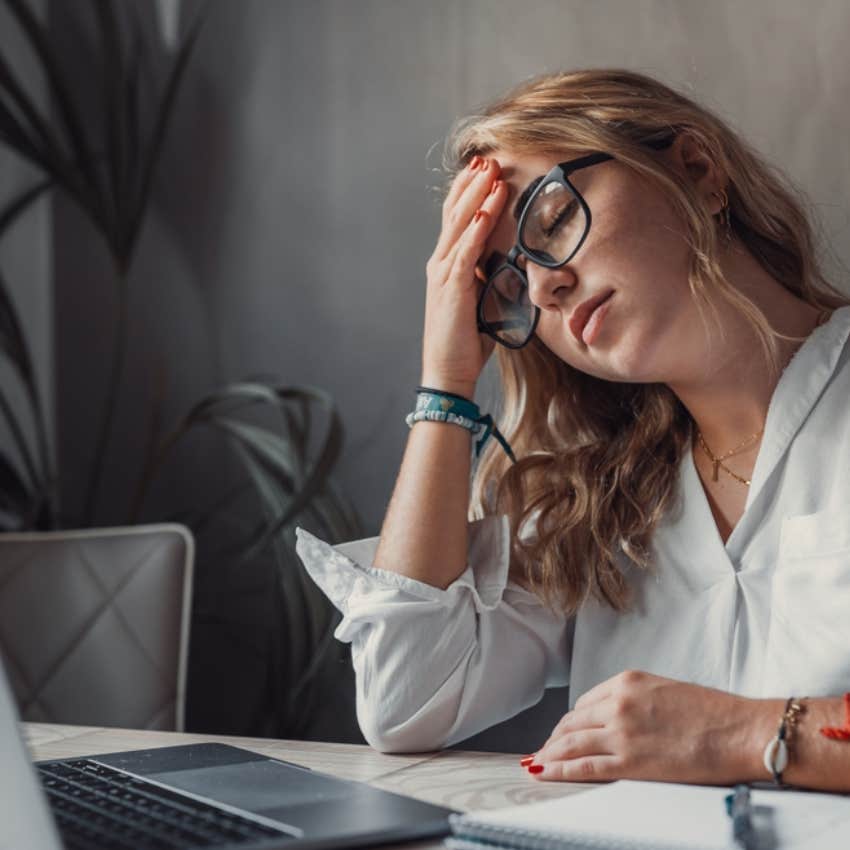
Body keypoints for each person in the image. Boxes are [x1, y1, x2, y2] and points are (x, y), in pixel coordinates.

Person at [296, 69, 850, 791]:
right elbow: (405, 701)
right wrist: (446, 384)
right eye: (505, 285)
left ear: (697, 171)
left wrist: (741, 733)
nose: (542, 287)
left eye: (552, 220)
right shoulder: (601, 501)